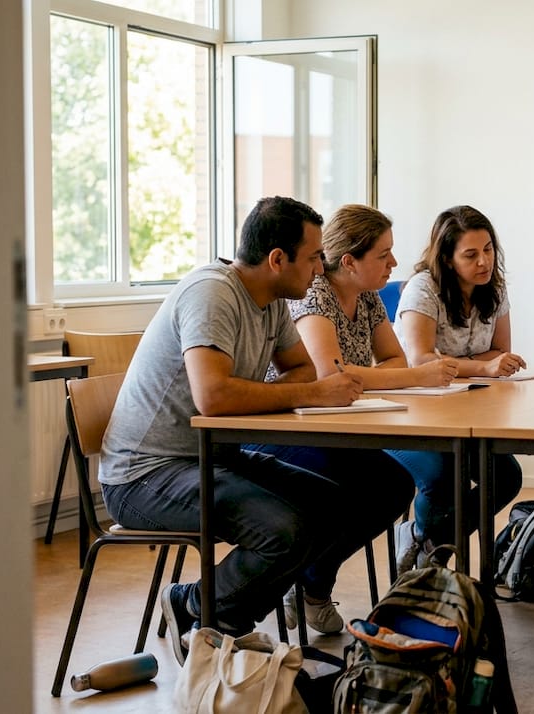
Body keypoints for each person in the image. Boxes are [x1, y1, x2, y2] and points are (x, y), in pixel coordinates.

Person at [98, 196, 363, 665]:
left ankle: (201, 604)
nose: (320, 268)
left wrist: (289, 390)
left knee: (337, 506)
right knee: (285, 531)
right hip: (144, 475)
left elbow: (300, 368)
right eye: (313, 257)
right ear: (277, 259)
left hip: (210, 456)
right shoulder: (212, 292)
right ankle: (208, 621)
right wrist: (309, 394)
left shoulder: (273, 300)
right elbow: (215, 397)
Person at [244, 204, 450, 633]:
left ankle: (311, 586)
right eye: (384, 254)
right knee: (353, 489)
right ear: (350, 261)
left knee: (393, 486)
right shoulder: (313, 295)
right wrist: (413, 375)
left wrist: (369, 377)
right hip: (285, 425)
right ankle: (304, 588)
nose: (395, 263)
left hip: (342, 423)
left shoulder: (369, 297)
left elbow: (387, 360)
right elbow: (331, 374)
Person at [393, 205, 526, 569]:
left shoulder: (493, 290)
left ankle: (428, 542)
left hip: (463, 407)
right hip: (407, 411)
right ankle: (432, 557)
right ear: (448, 259)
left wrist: (474, 364)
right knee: (441, 474)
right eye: (470, 254)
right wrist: (482, 365)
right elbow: (420, 360)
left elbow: (502, 351)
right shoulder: (424, 289)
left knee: (506, 476)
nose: (483, 261)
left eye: (488, 250)